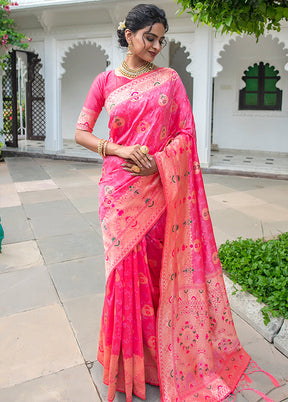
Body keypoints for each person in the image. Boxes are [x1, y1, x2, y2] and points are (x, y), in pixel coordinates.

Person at [75, 4, 279, 402]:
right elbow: (82, 131)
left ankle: (158, 359)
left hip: (159, 187)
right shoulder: (104, 82)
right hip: (118, 191)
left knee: (157, 272)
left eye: (160, 39)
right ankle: (127, 361)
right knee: (123, 278)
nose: (155, 46)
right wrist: (116, 149)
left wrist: (158, 161)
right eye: (149, 37)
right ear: (128, 34)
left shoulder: (169, 80)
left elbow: (185, 133)